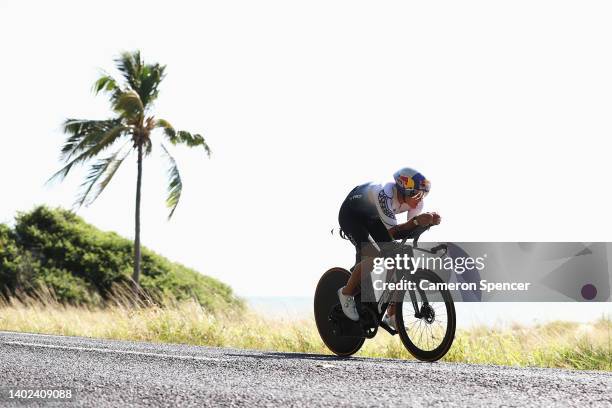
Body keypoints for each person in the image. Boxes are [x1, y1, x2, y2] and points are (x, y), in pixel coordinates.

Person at [336, 167, 440, 329]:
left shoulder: (416, 203)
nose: (420, 199)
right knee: (374, 254)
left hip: (373, 217)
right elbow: (393, 232)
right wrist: (417, 222)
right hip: (352, 215)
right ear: (404, 190)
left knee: (399, 256)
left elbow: (408, 232)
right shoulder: (385, 195)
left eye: (424, 194)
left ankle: (392, 313)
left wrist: (427, 223)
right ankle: (346, 293)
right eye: (417, 194)